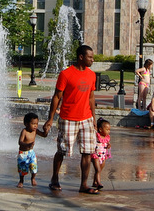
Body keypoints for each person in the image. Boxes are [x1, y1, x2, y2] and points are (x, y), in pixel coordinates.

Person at [43, 44, 99, 195]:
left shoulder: (92, 75)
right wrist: (50, 119)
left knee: (87, 152)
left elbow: (91, 97)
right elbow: (57, 97)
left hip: (86, 119)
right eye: (90, 57)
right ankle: (54, 179)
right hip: (68, 118)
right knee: (62, 150)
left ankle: (84, 184)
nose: (92, 60)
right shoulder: (66, 74)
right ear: (81, 57)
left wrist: (93, 118)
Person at [17, 112, 48, 188]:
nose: (35, 126)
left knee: (34, 166)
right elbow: (20, 142)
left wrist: (46, 131)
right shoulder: (24, 131)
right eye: (33, 124)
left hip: (31, 153)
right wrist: (27, 145)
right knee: (22, 168)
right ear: (26, 124)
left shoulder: (35, 131)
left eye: (36, 124)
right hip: (23, 153)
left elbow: (44, 135)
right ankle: (21, 181)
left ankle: (33, 178)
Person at [91, 118, 111, 190]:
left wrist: (108, 145)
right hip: (95, 155)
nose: (109, 131)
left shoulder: (107, 137)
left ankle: (94, 182)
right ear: (100, 130)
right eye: (107, 129)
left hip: (103, 156)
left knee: (99, 170)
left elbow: (107, 144)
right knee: (98, 170)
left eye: (109, 129)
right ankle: (98, 183)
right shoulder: (97, 136)